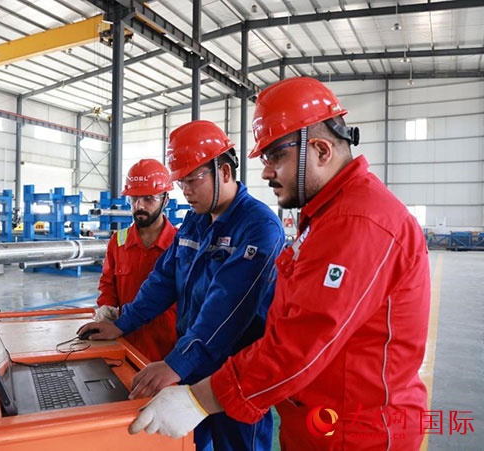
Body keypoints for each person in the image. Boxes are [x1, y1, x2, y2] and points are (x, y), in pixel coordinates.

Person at [127, 77, 431, 450]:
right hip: (317, 419)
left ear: (321, 150)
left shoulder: (357, 222)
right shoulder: (326, 217)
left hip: (355, 431)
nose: (266, 172)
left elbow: (300, 342)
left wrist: (200, 398)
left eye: (275, 156)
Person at [78, 120, 285, 451]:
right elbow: (163, 280)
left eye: (191, 179)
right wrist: (122, 323)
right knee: (186, 444)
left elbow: (227, 306)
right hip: (193, 363)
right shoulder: (196, 222)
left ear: (224, 172)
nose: (185, 190)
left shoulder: (259, 227)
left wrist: (177, 363)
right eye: (180, 181)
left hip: (234, 374)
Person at [94, 159, 178, 362]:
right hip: (124, 342)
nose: (139, 206)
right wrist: (107, 309)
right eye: (133, 199)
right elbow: (108, 284)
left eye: (148, 199)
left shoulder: (180, 244)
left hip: (168, 352)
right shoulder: (118, 241)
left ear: (166, 200)